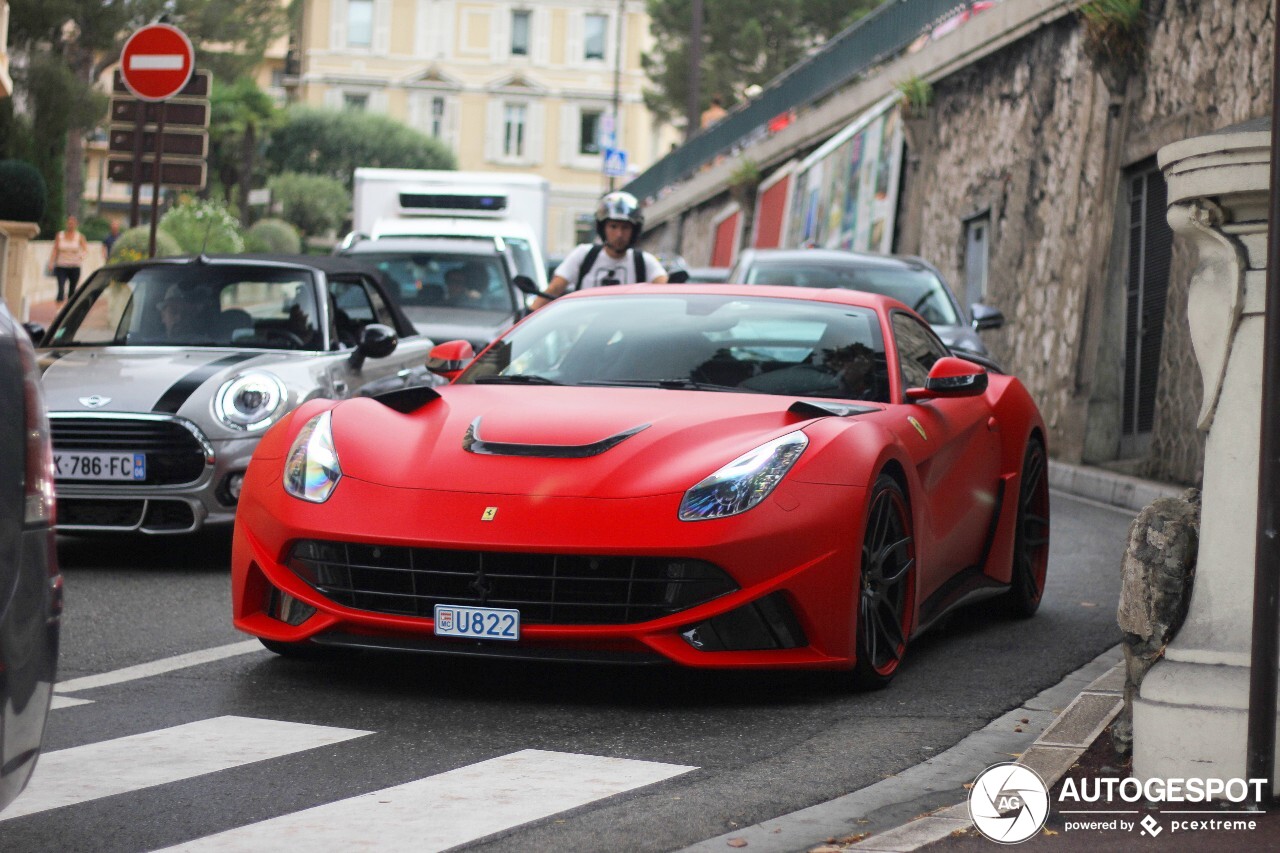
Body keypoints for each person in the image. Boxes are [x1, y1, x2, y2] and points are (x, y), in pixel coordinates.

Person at [535, 191, 668, 309]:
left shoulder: (643, 262)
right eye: (613, 226)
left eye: (625, 228)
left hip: (630, 334)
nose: (619, 234)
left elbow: (665, 293)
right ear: (602, 228)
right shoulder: (584, 255)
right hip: (585, 332)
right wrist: (528, 313)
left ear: (635, 230)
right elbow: (554, 289)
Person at [46, 215, 90, 303]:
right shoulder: (60, 235)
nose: (71, 225)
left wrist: (82, 256)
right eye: (69, 223)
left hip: (74, 266)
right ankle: (58, 312)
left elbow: (85, 250)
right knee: (61, 290)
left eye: (73, 223)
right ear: (66, 223)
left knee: (72, 291)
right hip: (61, 265)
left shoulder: (80, 237)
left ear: (76, 224)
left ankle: (68, 312)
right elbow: (55, 249)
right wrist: (51, 262)